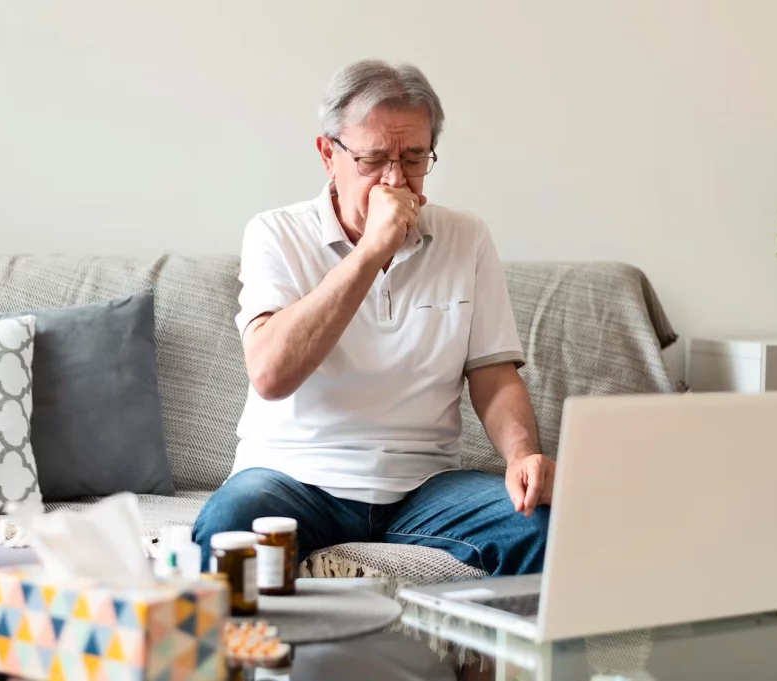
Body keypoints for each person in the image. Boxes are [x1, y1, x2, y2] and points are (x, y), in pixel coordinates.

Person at [192, 59, 555, 576]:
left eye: (413, 158)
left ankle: (501, 660)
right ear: (328, 154)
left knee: (543, 525)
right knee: (231, 527)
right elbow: (271, 374)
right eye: (373, 159)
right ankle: (243, 660)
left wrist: (521, 457)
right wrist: (370, 252)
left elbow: (494, 376)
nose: (395, 180)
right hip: (293, 478)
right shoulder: (274, 233)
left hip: (424, 487)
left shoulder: (465, 237)